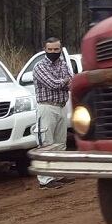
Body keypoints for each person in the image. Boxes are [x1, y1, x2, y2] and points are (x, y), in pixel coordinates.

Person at [32, 37, 73, 189]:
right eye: (50, 49)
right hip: (47, 107)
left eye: (56, 49)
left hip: (62, 106)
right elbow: (52, 83)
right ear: (45, 49)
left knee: (60, 144)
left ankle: (58, 174)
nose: (53, 52)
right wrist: (64, 81)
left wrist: (63, 82)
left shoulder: (63, 64)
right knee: (46, 144)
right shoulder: (39, 66)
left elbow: (72, 81)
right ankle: (45, 179)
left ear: (60, 49)